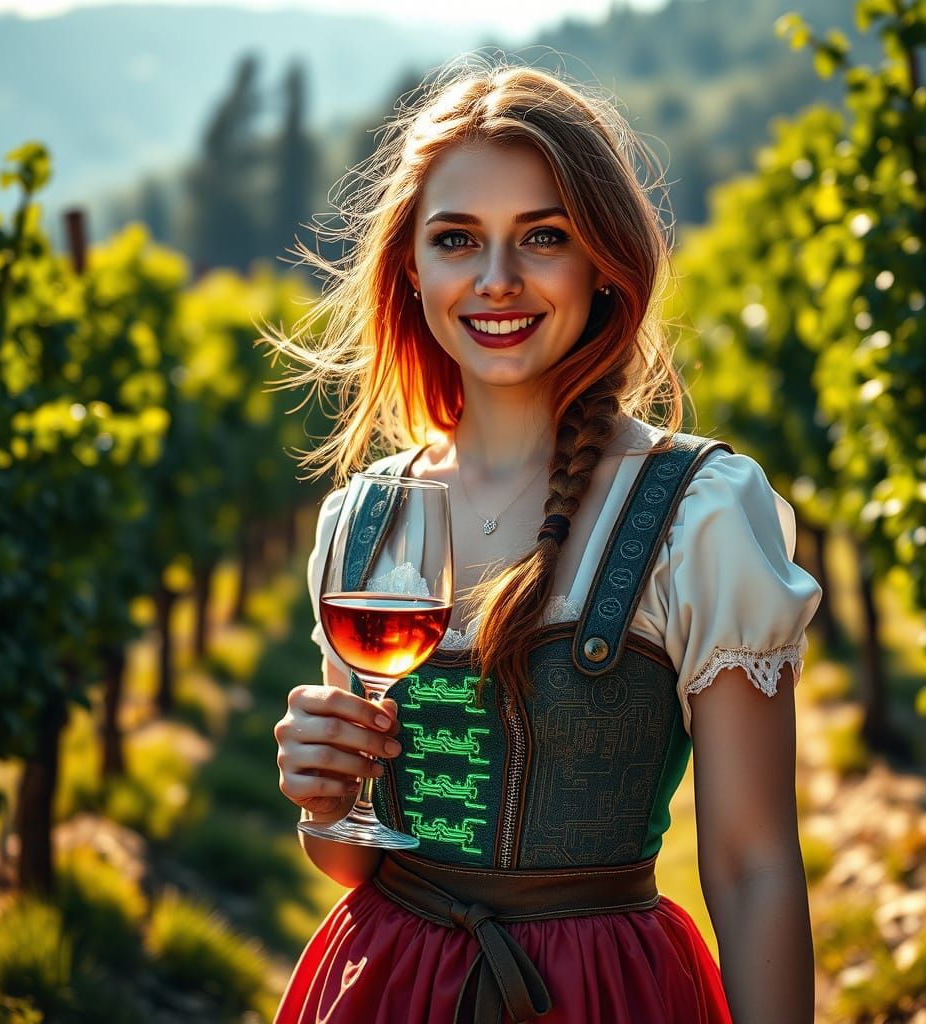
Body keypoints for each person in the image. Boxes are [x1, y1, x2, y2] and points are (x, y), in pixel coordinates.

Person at [267, 57, 822, 1024]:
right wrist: (323, 800)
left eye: (543, 237)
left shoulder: (698, 513)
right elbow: (353, 859)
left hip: (603, 993)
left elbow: (752, 865)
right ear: (412, 266)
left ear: (603, 261)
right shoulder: (363, 518)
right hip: (387, 987)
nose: (496, 280)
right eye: (457, 239)